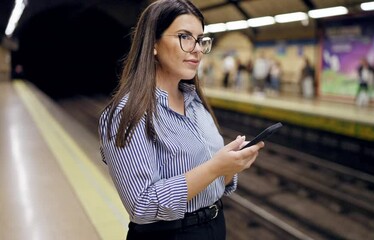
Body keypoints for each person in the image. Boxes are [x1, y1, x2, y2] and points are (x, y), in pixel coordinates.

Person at [98, 1, 264, 239]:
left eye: (200, 40)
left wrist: (230, 167)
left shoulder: (196, 104)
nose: (196, 49)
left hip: (215, 226)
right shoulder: (128, 113)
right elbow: (142, 205)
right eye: (185, 37)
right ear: (153, 43)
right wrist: (215, 167)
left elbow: (215, 180)